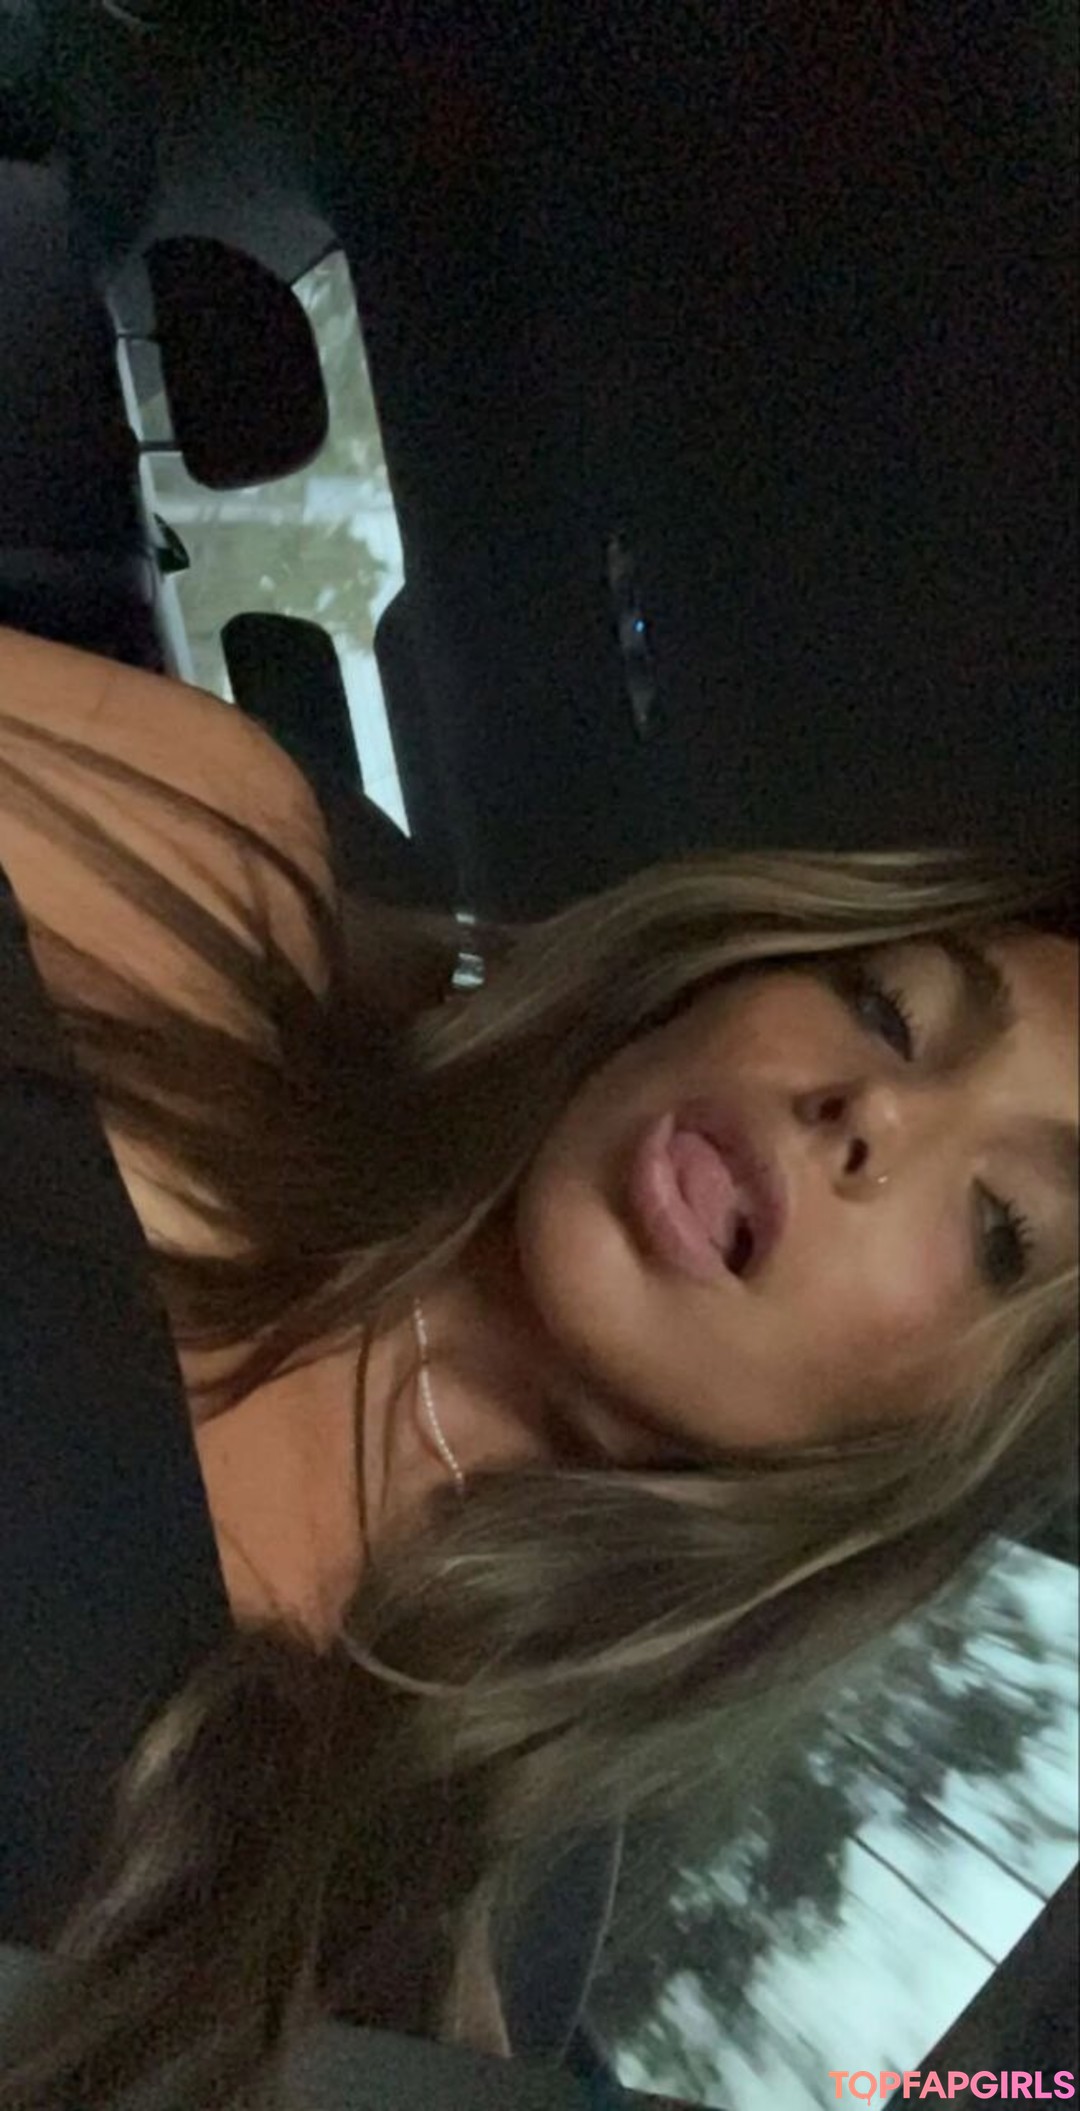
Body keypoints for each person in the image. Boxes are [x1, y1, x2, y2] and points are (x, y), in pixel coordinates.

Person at [0, 620, 1075, 2106]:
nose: (874, 1111)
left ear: (937, 1442)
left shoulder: (390, 1948)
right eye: (888, 1007)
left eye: (1001, 1226)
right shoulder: (205, 851)